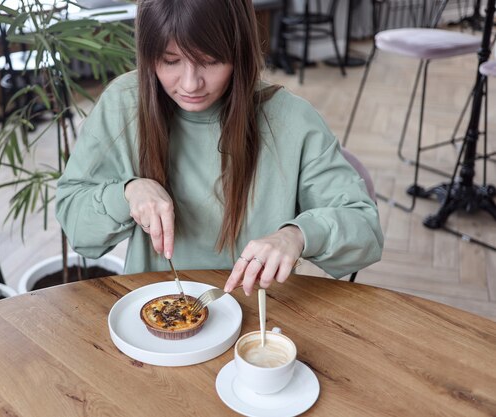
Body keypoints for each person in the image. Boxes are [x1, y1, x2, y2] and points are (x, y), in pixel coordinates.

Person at [56, 0, 384, 296]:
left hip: (260, 322)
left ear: (239, 50)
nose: (190, 83)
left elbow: (365, 230)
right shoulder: (123, 105)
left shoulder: (292, 121)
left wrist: (297, 235)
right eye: (170, 61)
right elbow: (76, 224)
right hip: (155, 320)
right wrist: (127, 193)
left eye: (210, 61)